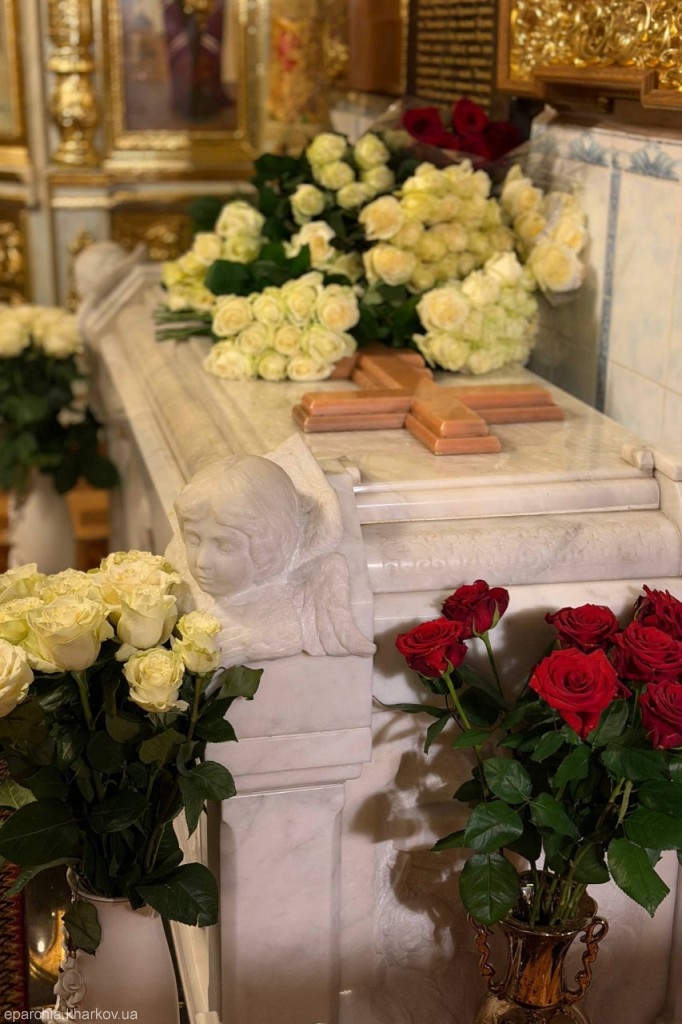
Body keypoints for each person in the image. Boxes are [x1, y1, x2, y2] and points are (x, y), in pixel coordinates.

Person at [168, 452, 375, 666]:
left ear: (265, 549)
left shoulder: (278, 619)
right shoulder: (180, 582)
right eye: (193, 541)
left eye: (224, 546)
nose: (202, 562)